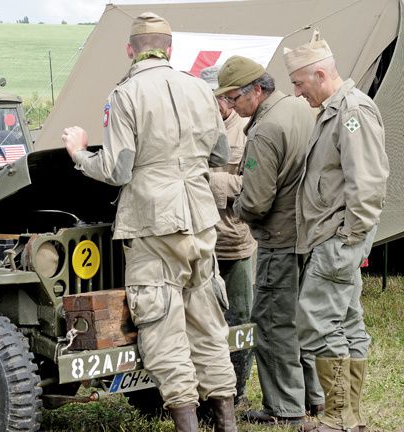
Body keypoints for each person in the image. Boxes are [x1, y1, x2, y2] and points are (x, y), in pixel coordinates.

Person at [61, 12, 238, 432]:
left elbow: (119, 169)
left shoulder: (127, 94)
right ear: (170, 49)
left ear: (130, 50)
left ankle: (187, 424)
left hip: (152, 223)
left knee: (163, 328)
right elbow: (219, 154)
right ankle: (227, 422)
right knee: (208, 321)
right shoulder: (199, 88)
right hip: (200, 218)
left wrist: (80, 154)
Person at [284, 29, 389, 432]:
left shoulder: (351, 112)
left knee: (319, 322)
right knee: (346, 321)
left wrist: (349, 238)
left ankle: (338, 417)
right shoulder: (335, 109)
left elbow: (367, 182)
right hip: (335, 237)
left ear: (320, 75)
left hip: (336, 238)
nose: (296, 93)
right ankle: (349, 416)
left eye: (298, 82)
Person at [214, 55, 322, 425]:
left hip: (278, 238)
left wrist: (235, 207)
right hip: (307, 232)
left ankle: (285, 408)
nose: (231, 106)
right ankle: (312, 397)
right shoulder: (298, 108)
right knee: (301, 318)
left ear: (256, 91)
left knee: (273, 324)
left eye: (234, 98)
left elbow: (256, 202)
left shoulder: (264, 130)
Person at [200, 65, 257, 406]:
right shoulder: (196, 130)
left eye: (218, 97)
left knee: (238, 316)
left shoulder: (248, 133)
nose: (214, 103)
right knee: (204, 319)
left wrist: (209, 181)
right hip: (201, 240)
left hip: (234, 239)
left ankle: (237, 390)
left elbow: (254, 184)